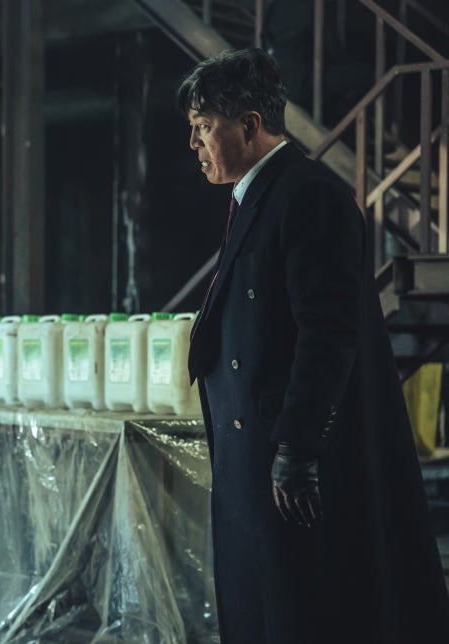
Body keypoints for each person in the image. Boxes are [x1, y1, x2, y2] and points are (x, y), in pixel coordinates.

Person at [179, 48, 449, 643]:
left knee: (299, 615)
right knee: (263, 610)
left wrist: (297, 449)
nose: (194, 143)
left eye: (203, 127)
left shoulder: (309, 196)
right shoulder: (259, 195)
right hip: (252, 459)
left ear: (249, 125)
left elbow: (329, 332)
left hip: (282, 464)